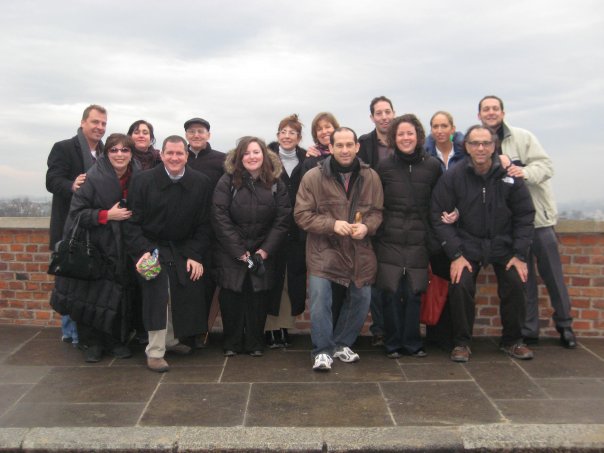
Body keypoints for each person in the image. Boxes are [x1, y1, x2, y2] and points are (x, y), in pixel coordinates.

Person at [478, 95, 577, 349]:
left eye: (495, 108)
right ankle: (529, 329)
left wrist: (522, 172)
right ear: (479, 115)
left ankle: (565, 325)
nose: (491, 112)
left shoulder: (523, 137)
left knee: (552, 275)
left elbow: (546, 166)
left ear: (503, 112)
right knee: (524, 279)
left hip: (539, 221)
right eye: (486, 109)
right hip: (510, 225)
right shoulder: (480, 143)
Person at [431, 125, 536, 363]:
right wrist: (456, 254)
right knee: (460, 283)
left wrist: (520, 254)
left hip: (504, 244)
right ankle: (461, 343)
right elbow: (438, 216)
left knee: (515, 281)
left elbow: (525, 215)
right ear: (466, 147)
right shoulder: (454, 176)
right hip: (467, 244)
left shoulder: (510, 176)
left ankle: (513, 341)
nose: (481, 148)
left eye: (486, 143)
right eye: (475, 143)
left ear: (494, 146)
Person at [295, 127, 383, 371]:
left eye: (349, 145)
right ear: (331, 148)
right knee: (320, 299)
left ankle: (342, 344)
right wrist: (332, 225)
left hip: (358, 250)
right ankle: (322, 351)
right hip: (323, 250)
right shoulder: (313, 177)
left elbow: (377, 212)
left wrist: (367, 227)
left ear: (357, 147)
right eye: (339, 145)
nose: (345, 150)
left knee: (362, 298)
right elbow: (301, 215)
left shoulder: (371, 177)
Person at [123, 135, 212, 373]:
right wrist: (143, 252)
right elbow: (132, 223)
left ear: (186, 156)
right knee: (158, 287)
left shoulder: (201, 183)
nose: (174, 158)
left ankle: (171, 339)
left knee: (184, 286)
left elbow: (205, 224)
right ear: (161, 155)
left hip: (183, 247)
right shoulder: (143, 180)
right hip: (149, 246)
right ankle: (155, 351)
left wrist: (195, 254)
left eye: (179, 153)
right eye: (169, 153)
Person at [50, 133, 138, 362]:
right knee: (90, 297)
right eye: (114, 150)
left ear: (131, 153)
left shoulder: (139, 177)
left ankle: (116, 341)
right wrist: (106, 215)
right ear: (106, 153)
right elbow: (77, 213)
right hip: (96, 246)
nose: (120, 154)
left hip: (125, 246)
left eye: (125, 150)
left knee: (119, 296)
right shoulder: (92, 177)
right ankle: (92, 343)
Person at [212, 136, 291, 356]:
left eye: (256, 152)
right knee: (231, 297)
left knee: (258, 298)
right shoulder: (227, 181)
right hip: (232, 252)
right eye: (246, 153)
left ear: (264, 155)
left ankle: (255, 343)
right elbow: (219, 217)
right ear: (239, 157)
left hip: (262, 251)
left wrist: (264, 251)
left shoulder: (276, 183)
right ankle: (232, 343)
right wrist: (240, 252)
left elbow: (282, 219)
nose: (251, 157)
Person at [374, 114, 442, 358]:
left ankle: (413, 343)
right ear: (394, 137)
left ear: (418, 136)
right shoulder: (384, 167)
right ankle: (392, 343)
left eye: (410, 133)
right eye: (400, 134)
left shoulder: (433, 166)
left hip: (418, 239)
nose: (405, 138)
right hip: (389, 238)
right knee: (391, 292)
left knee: (414, 293)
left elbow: (440, 201)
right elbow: (376, 203)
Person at [46, 104, 108, 345]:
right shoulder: (63, 148)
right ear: (83, 123)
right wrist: (71, 185)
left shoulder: (105, 152)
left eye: (103, 123)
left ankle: (86, 332)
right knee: (70, 280)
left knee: (89, 283)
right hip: (69, 227)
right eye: (95, 122)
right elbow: (52, 180)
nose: (99, 127)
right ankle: (71, 333)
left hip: (95, 227)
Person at [423, 111, 466, 350]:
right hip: (435, 225)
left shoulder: (465, 153)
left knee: (458, 284)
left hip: (463, 227)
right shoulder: (426, 154)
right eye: (435, 126)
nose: (440, 130)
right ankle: (437, 335)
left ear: (452, 128)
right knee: (438, 281)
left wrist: (459, 211)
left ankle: (456, 336)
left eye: (444, 126)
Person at [265, 114, 308, 348]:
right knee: (272, 278)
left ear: (299, 137)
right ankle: (270, 328)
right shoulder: (266, 158)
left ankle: (284, 326)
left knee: (292, 279)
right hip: (271, 228)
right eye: (283, 132)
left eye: (292, 133)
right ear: (278, 135)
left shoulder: (307, 160)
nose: (287, 136)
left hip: (298, 230)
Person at [183, 117, 226, 348]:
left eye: (200, 131)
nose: (196, 135)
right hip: (184, 230)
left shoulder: (221, 160)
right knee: (187, 282)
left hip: (212, 231)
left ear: (208, 135)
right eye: (191, 131)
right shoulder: (179, 158)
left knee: (208, 282)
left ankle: (202, 330)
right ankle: (187, 331)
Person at [358, 96, 396, 347]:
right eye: (378, 113)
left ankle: (395, 329)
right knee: (373, 278)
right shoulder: (363, 143)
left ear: (393, 113)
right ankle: (380, 329)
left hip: (398, 216)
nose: (384, 117)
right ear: (372, 117)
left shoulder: (404, 140)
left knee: (393, 278)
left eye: (387, 112)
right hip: (371, 217)